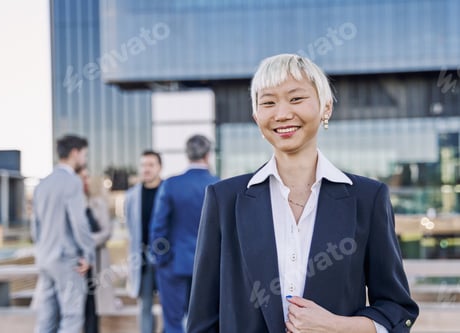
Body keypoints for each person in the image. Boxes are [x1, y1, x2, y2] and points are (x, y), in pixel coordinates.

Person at [187, 54, 419, 333]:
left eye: (296, 99)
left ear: (326, 108)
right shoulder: (224, 200)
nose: (282, 113)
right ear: (256, 117)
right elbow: (202, 321)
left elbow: (396, 309)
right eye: (268, 102)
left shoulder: (368, 199)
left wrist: (336, 326)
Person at [150, 135, 219, 333]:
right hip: (208, 267)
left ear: (187, 154)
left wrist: (161, 259)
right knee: (205, 322)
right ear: (207, 155)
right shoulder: (218, 184)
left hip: (173, 264)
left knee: (173, 323)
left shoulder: (171, 184)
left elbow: (158, 227)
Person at [31, 134, 95, 333]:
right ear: (75, 153)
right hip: (67, 260)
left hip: (45, 258)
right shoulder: (72, 182)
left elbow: (35, 227)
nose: (84, 159)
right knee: (71, 318)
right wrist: (89, 254)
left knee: (46, 320)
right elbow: (79, 223)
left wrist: (41, 250)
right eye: (84, 154)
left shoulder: (42, 184)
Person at [124, 150, 163, 333]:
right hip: (142, 259)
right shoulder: (131, 195)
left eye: (150, 165)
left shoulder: (168, 190)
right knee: (145, 306)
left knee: (171, 306)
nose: (146, 169)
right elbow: (130, 230)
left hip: (166, 258)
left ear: (159, 168)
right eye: (143, 165)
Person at [77, 166, 114, 333]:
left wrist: (84, 241)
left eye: (87, 177)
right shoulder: (68, 204)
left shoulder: (97, 203)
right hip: (75, 266)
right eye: (82, 177)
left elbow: (106, 232)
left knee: (92, 309)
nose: (85, 181)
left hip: (94, 266)